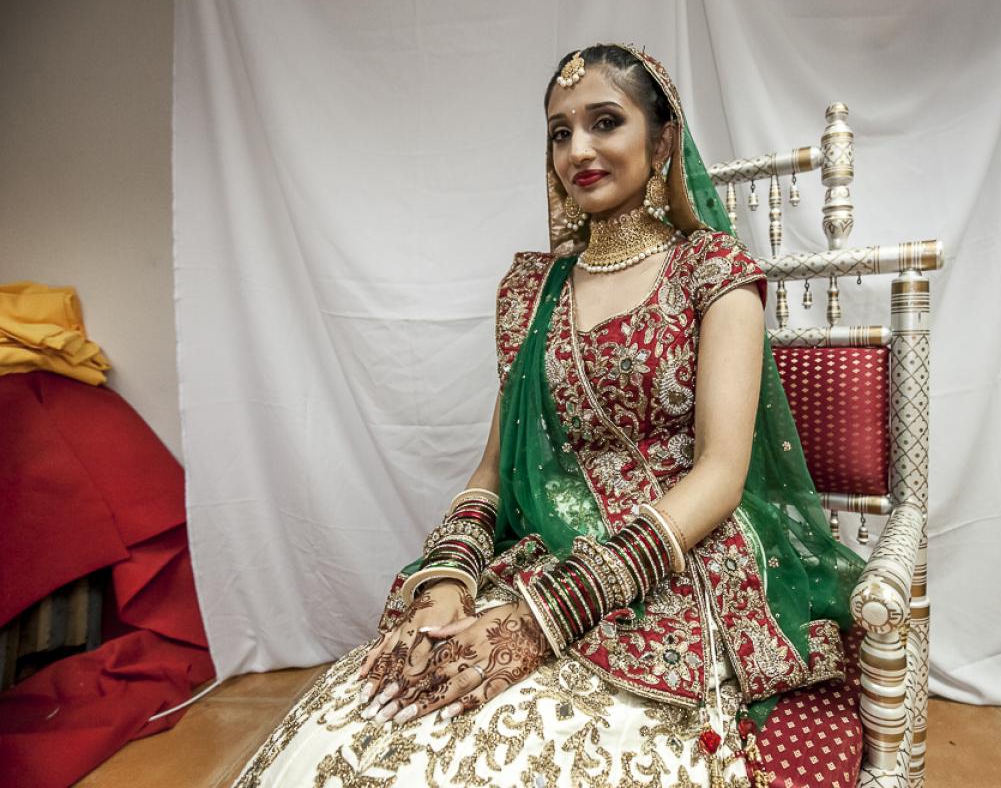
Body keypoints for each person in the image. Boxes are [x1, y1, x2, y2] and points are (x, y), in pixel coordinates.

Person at [233, 42, 864, 788]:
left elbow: (721, 474)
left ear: (663, 138)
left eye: (606, 122)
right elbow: (493, 470)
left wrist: (544, 617)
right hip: (544, 555)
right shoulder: (532, 292)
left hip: (673, 563)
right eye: (561, 132)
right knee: (362, 727)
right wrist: (447, 582)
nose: (579, 150)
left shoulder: (712, 271)